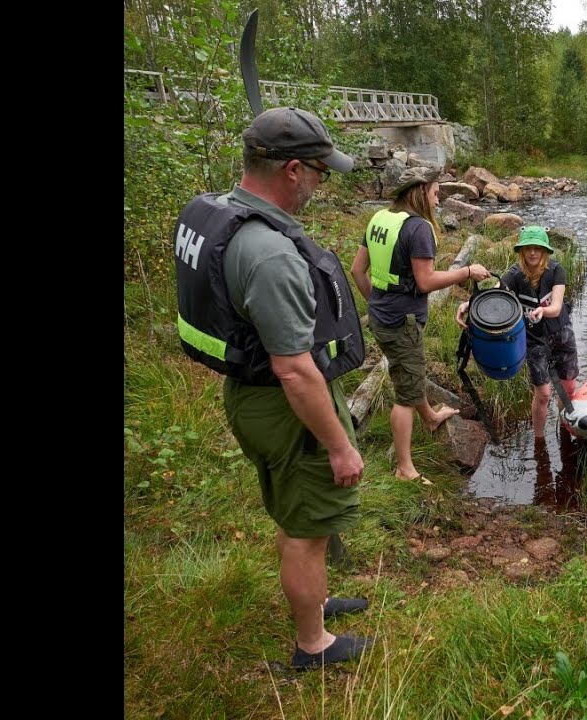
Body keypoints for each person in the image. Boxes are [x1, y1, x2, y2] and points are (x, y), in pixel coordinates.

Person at [173, 107, 371, 670]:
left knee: (296, 512)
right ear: (291, 170)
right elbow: (296, 370)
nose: (322, 181)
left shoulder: (224, 212)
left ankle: (320, 601)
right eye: (319, 171)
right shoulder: (269, 254)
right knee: (306, 528)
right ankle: (315, 645)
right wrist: (339, 446)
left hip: (249, 394)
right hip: (286, 405)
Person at [352, 167, 490, 481]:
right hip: (403, 321)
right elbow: (425, 281)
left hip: (382, 317)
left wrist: (377, 303)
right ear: (420, 191)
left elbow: (357, 271)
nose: (438, 195)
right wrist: (467, 271)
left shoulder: (379, 219)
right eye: (435, 190)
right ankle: (405, 469)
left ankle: (428, 417)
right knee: (404, 394)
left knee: (409, 371)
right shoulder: (418, 228)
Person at [457, 226, 578, 438]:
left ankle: (563, 428)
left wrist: (543, 310)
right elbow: (494, 292)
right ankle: (539, 440)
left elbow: (557, 306)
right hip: (533, 339)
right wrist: (469, 304)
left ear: (544, 251)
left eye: (537, 248)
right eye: (528, 248)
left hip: (561, 333)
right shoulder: (514, 275)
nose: (533, 253)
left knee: (567, 387)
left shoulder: (557, 270)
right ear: (522, 251)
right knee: (543, 394)